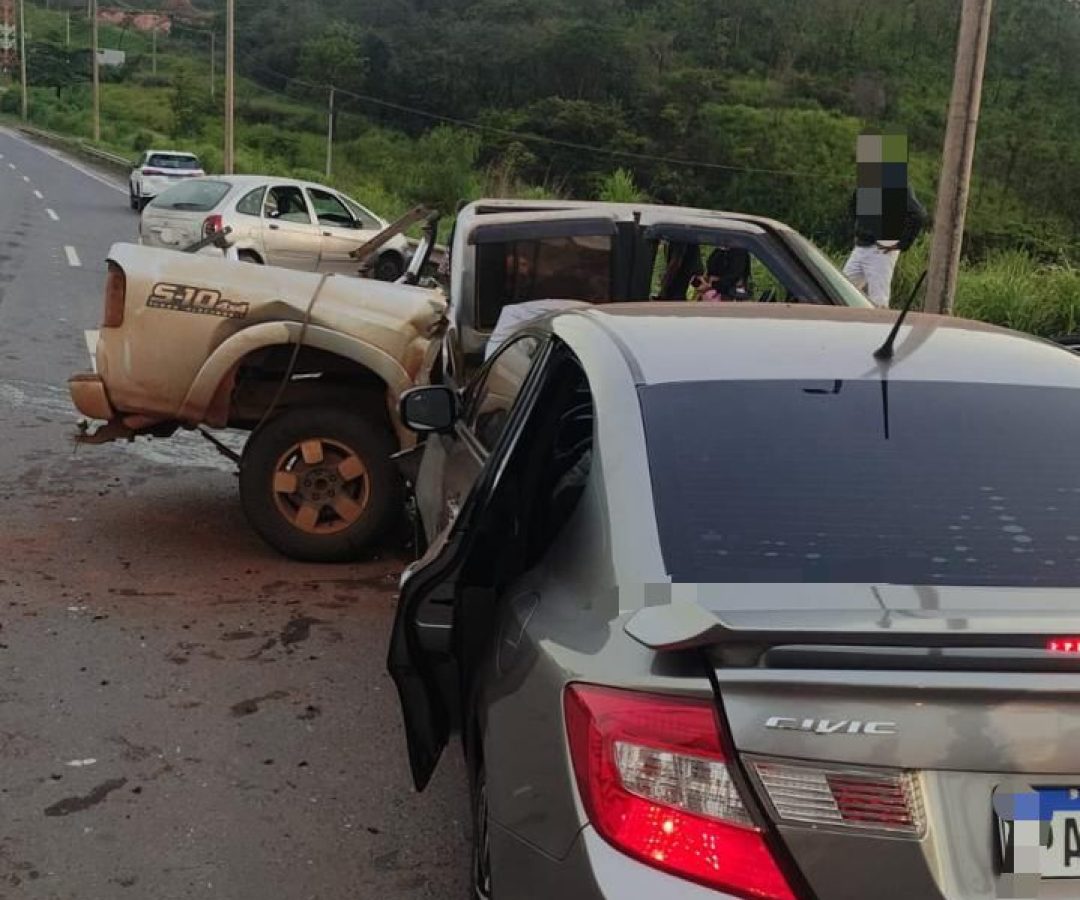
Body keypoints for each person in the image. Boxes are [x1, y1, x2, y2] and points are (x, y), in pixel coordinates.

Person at [843, 182, 927, 308]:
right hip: (861, 246)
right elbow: (854, 206)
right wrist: (859, 229)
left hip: (882, 251)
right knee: (842, 291)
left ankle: (879, 326)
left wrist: (901, 243)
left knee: (878, 301)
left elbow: (918, 215)